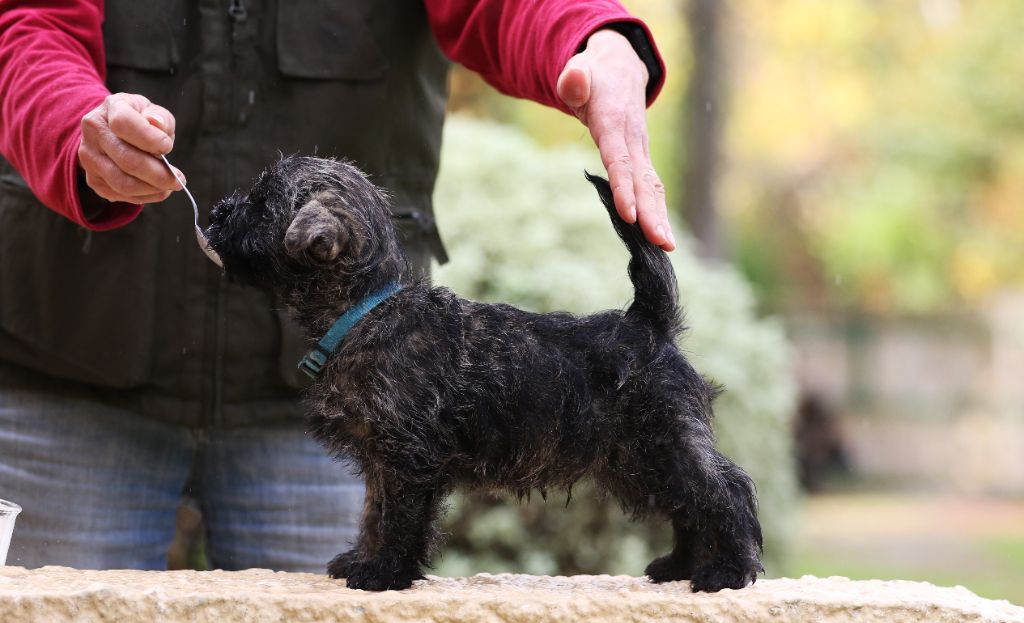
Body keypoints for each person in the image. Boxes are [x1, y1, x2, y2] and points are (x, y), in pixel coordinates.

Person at [0, 0, 669, 572]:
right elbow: (28, 23)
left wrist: (594, 34)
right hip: (70, 363)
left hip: (355, 401)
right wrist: (72, 123)